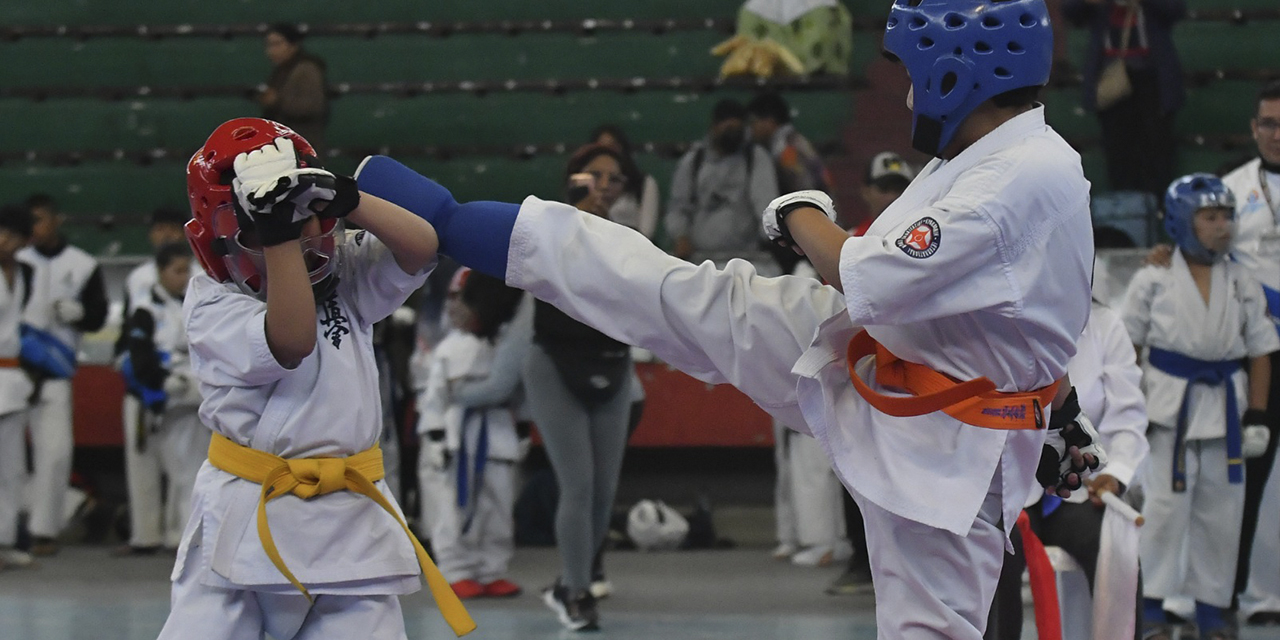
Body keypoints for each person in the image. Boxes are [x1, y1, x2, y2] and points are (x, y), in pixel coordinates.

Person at [355, 1, 1110, 636]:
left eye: (915, 77)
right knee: (678, 293)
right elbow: (1030, 308)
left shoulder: (1021, 174)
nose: (910, 98)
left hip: (942, 436)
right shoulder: (999, 159)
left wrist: (799, 209)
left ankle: (457, 222)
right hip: (881, 357)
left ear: (960, 70)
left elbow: (858, 268)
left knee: (931, 626)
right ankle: (453, 221)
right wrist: (1061, 406)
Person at [156, 118, 472, 639]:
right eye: (262, 228)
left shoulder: (344, 273)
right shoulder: (211, 305)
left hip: (351, 519)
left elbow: (422, 247)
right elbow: (292, 338)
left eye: (310, 220)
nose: (304, 237)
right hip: (248, 516)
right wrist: (279, 226)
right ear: (217, 240)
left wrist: (344, 198)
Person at [1121, 173, 1279, 640]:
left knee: (1222, 514)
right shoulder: (1153, 277)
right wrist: (1127, 411)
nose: (1223, 226)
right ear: (1181, 221)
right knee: (1165, 511)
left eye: (1228, 215)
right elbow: (1127, 349)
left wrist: (1257, 415)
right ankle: (1150, 606)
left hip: (1227, 409)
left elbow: (1261, 352)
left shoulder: (1242, 280)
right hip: (1166, 409)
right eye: (1210, 217)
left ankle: (1213, 611)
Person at [986, 290, 1150, 639]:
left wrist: (1114, 475)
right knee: (995, 556)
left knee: (1113, 544)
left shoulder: (1105, 325)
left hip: (1076, 490)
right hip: (1005, 492)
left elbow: (1128, 417)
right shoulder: (995, 320)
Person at [826, 151, 916, 595]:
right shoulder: (844, 246)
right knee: (854, 468)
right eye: (883, 187)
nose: (891, 197)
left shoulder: (926, 239)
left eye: (900, 188)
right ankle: (863, 562)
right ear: (865, 192)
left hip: (917, 378)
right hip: (863, 374)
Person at [416, 267, 525, 601]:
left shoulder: (509, 343)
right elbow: (433, 399)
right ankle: (456, 570)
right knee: (452, 508)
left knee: (499, 507)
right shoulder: (449, 349)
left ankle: (492, 570)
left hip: (498, 435)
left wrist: (521, 430)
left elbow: (520, 395)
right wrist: (435, 437)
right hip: (457, 439)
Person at [18, 193, 109, 557]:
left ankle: (44, 530)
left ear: (57, 220)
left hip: (56, 371)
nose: (35, 229)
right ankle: (10, 527)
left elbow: (99, 317)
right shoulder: (15, 261)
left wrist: (80, 314)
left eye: (40, 219)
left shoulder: (83, 265)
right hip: (16, 369)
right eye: (29, 222)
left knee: (54, 454)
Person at [1224, 79, 1280, 624]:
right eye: (1268, 124)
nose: (1276, 135)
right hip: (1256, 356)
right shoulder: (1230, 189)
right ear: (1254, 129)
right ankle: (1235, 593)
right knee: (1250, 476)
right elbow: (1201, 243)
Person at [115, 243, 209, 556]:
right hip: (154, 396)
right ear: (160, 272)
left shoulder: (198, 301)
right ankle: (148, 536)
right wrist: (159, 382)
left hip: (191, 394)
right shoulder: (145, 309)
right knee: (153, 470)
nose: (183, 278)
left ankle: (180, 534)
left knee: (188, 469)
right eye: (176, 271)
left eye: (186, 270)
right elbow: (138, 357)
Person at [1062, 0, 1186, 198]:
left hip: (1152, 77)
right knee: (1119, 155)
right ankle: (1126, 212)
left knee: (1156, 151)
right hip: (1110, 78)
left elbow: (1176, 10)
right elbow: (1071, 11)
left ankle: (1157, 209)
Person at [665, 99, 780, 272]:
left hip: (750, 259)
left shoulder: (755, 158)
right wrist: (680, 235)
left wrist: (773, 238)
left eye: (737, 129)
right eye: (727, 128)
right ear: (714, 128)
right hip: (699, 260)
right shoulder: (693, 161)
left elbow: (766, 206)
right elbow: (678, 207)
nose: (732, 134)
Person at [0, 205, 35, 571]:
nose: (3, 240)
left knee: (11, 469)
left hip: (12, 378)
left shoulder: (27, 273)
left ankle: (6, 540)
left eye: (11, 235)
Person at [261, 23, 329, 153]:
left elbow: (311, 106)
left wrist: (276, 101)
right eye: (268, 45)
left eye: (277, 44)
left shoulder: (306, 70)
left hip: (303, 145)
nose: (270, 51)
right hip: (289, 143)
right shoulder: (283, 70)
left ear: (293, 45)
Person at [747, 92, 832, 195]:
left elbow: (804, 191)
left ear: (769, 121)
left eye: (753, 122)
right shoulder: (792, 140)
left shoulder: (785, 147)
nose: (751, 129)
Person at [588, 124, 661, 240]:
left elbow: (647, 232)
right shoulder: (586, 183)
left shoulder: (644, 183)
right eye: (601, 147)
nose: (608, 152)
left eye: (612, 146)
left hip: (633, 250)